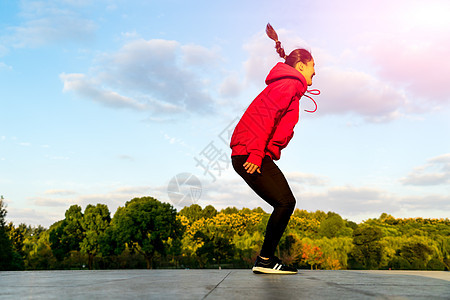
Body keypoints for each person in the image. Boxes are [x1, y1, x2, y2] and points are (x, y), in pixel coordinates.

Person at [230, 23, 317, 274]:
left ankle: (266, 260)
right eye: (313, 68)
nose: (315, 74)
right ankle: (265, 260)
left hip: (251, 151)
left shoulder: (289, 87)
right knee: (285, 202)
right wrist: (257, 154)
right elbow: (264, 118)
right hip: (250, 153)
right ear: (301, 66)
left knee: (284, 202)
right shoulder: (288, 85)